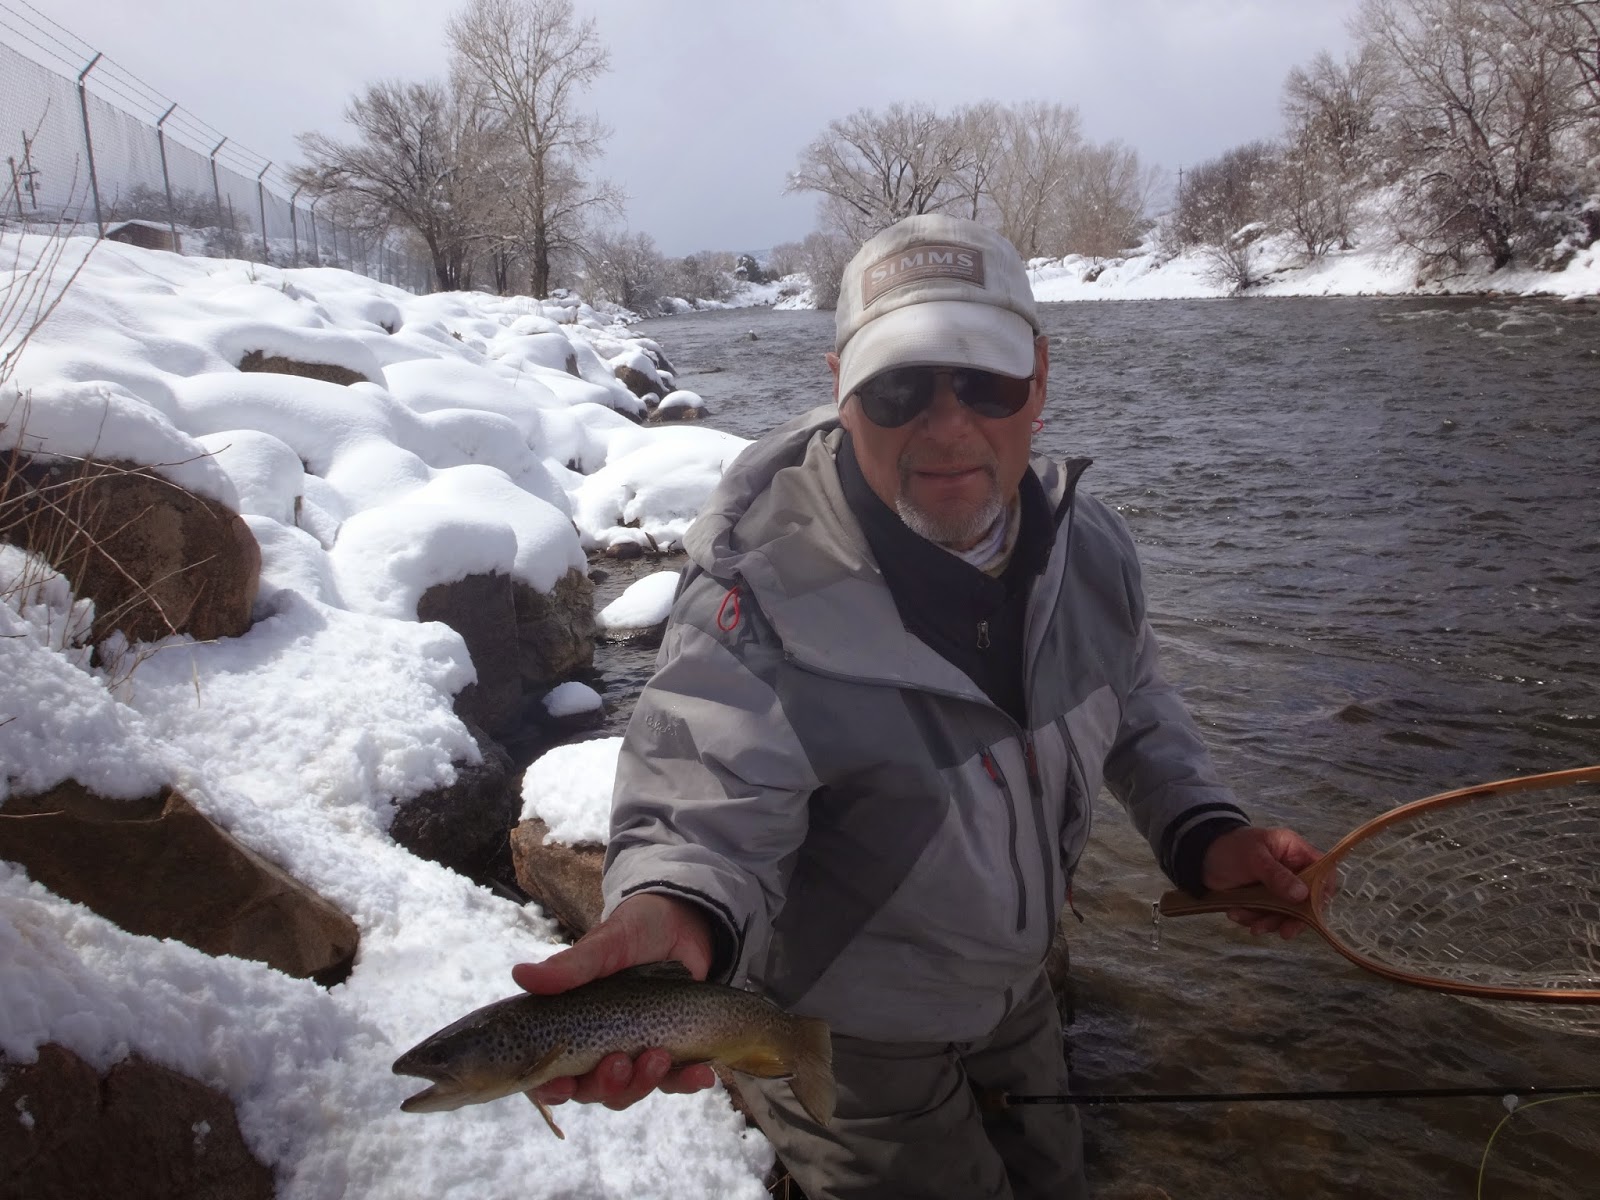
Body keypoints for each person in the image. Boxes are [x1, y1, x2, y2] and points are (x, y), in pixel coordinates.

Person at [513, 214, 1321, 1198]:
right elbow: (703, 806)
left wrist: (1205, 832)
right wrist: (677, 912)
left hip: (1014, 992)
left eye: (985, 379)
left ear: (1040, 379)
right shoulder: (757, 598)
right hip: (839, 1028)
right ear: (843, 390)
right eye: (899, 386)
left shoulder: (1092, 549)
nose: (946, 425)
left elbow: (1136, 700)